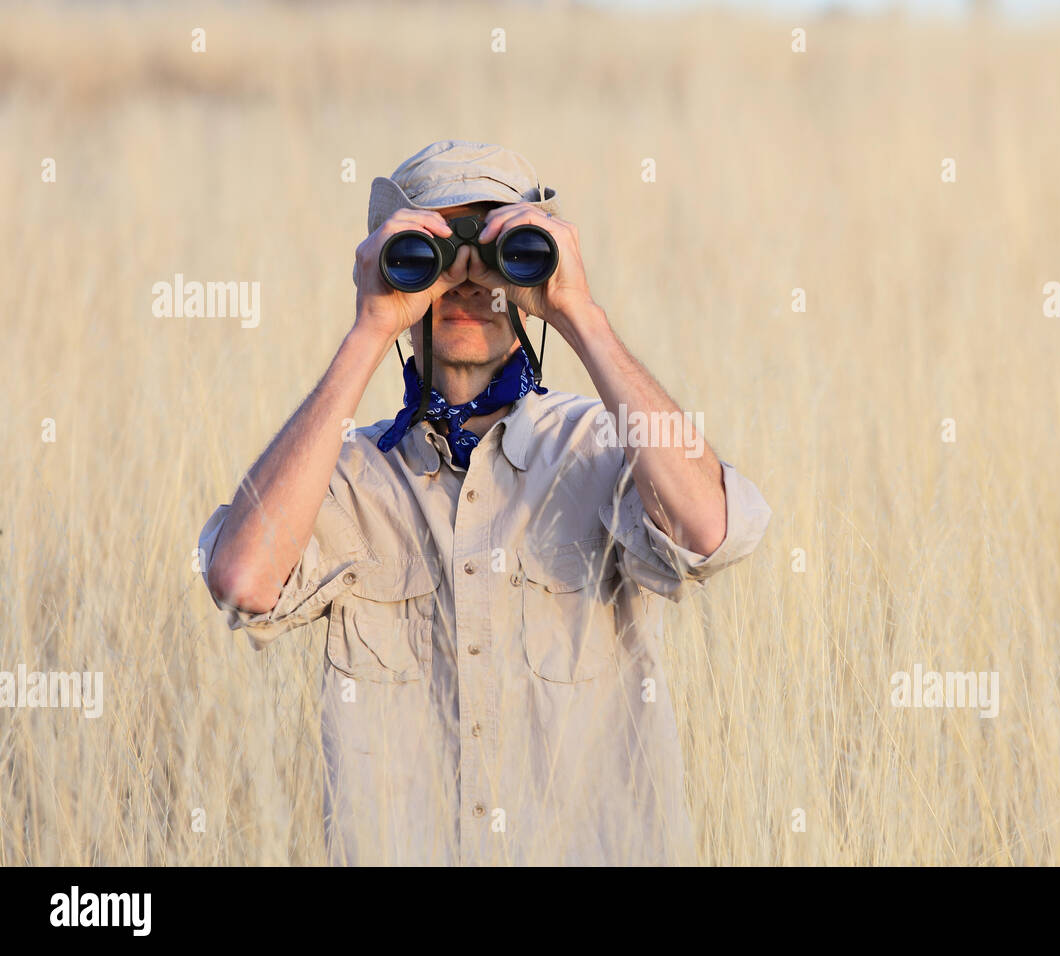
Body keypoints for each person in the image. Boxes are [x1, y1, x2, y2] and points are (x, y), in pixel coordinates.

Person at [197, 139, 771, 865]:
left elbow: (711, 530)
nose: (469, 283)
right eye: (432, 252)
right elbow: (243, 583)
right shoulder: (345, 477)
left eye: (501, 248)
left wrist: (578, 313)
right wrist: (371, 328)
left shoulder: (601, 448)